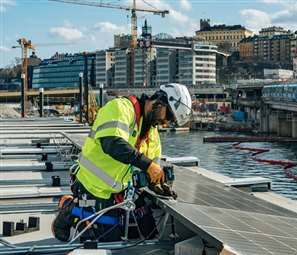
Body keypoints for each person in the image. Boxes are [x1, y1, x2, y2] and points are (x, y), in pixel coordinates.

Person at [52, 83, 192, 242]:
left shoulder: (152, 135)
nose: (166, 123)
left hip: (119, 191)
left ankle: (80, 210)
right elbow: (112, 143)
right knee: (107, 241)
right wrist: (147, 165)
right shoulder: (121, 108)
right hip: (92, 185)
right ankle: (70, 209)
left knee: (148, 231)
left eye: (171, 121)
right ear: (159, 103)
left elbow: (151, 168)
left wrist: (157, 185)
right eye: (169, 116)